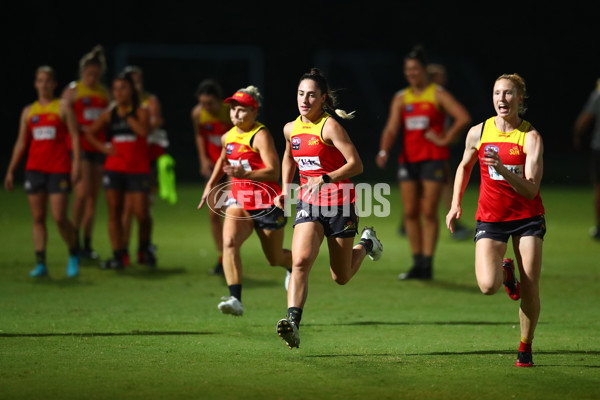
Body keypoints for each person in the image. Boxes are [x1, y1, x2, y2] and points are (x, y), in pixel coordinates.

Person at [273, 68, 383, 349]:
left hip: (340, 204)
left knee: (341, 276)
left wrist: (325, 178)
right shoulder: (290, 128)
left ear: (323, 98)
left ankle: (367, 244)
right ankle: (293, 323)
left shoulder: (330, 126)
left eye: (311, 95)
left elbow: (356, 165)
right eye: (300, 94)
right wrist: (285, 188)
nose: (305, 100)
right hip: (309, 204)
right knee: (300, 261)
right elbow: (288, 156)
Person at [446, 73, 545, 367]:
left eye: (509, 93)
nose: (502, 99)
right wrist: (454, 204)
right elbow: (464, 167)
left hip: (528, 217)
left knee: (530, 286)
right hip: (491, 217)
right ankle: (505, 274)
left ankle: (525, 347)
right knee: (487, 285)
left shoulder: (530, 137)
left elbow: (531, 189)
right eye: (497, 93)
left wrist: (502, 168)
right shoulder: (479, 132)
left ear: (520, 99)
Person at [376, 46, 471, 280]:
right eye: (408, 69)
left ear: (424, 70)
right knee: (410, 212)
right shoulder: (401, 97)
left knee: (428, 212)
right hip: (408, 161)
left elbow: (463, 117)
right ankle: (417, 263)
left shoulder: (437, 93)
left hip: (433, 160)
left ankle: (427, 264)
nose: (411, 73)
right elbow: (391, 127)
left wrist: (445, 139)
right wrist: (383, 150)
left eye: (415, 69)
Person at [198, 86, 292, 316]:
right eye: (232, 109)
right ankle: (235, 299)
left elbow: (273, 172)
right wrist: (210, 185)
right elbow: (222, 161)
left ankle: (293, 266)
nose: (235, 115)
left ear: (254, 112)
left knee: (274, 257)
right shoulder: (227, 136)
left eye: (241, 110)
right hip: (239, 201)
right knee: (229, 242)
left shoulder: (260, 136)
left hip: (267, 204)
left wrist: (245, 174)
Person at [4, 66, 81, 277]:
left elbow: (75, 137)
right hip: (35, 169)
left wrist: (77, 164)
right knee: (38, 217)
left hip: (58, 168)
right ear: (35, 84)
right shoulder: (29, 111)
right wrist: (11, 170)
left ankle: (74, 254)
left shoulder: (63, 107)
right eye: (40, 80)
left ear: (54, 84)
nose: (44, 84)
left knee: (59, 217)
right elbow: (21, 142)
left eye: (48, 80)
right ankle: (40, 263)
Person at [84, 71, 155, 269]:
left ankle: (144, 249)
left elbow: (143, 132)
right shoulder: (109, 114)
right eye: (115, 89)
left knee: (142, 213)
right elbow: (89, 133)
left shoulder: (141, 111)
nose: (118, 92)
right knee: (114, 212)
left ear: (131, 89)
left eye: (123, 88)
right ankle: (118, 255)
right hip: (114, 169)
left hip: (137, 169)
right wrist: (104, 148)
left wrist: (128, 117)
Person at [61, 45, 110, 261]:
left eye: (96, 74)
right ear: (82, 72)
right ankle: (75, 241)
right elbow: (61, 118)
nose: (92, 77)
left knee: (92, 199)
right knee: (80, 196)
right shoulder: (73, 91)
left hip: (98, 150)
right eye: (89, 73)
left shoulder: (105, 93)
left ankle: (87, 245)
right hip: (79, 151)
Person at [120, 65, 168, 265]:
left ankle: (144, 247)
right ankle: (122, 251)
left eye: (138, 79)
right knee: (125, 208)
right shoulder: (120, 105)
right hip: (126, 159)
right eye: (131, 80)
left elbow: (156, 122)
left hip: (147, 159)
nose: (136, 84)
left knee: (143, 208)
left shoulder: (149, 101)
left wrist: (141, 121)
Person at [192, 79, 234, 275]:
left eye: (210, 103)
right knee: (213, 213)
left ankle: (231, 255)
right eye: (203, 103)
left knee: (230, 212)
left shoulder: (232, 112)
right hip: (213, 168)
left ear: (220, 101)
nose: (206, 107)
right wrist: (202, 159)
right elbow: (200, 135)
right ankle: (221, 257)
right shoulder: (198, 114)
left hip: (233, 167)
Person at [573, 78, 600, 240]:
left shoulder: (598, 94)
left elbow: (585, 118)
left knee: (598, 188)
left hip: (599, 147)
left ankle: (599, 227)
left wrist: (577, 134)